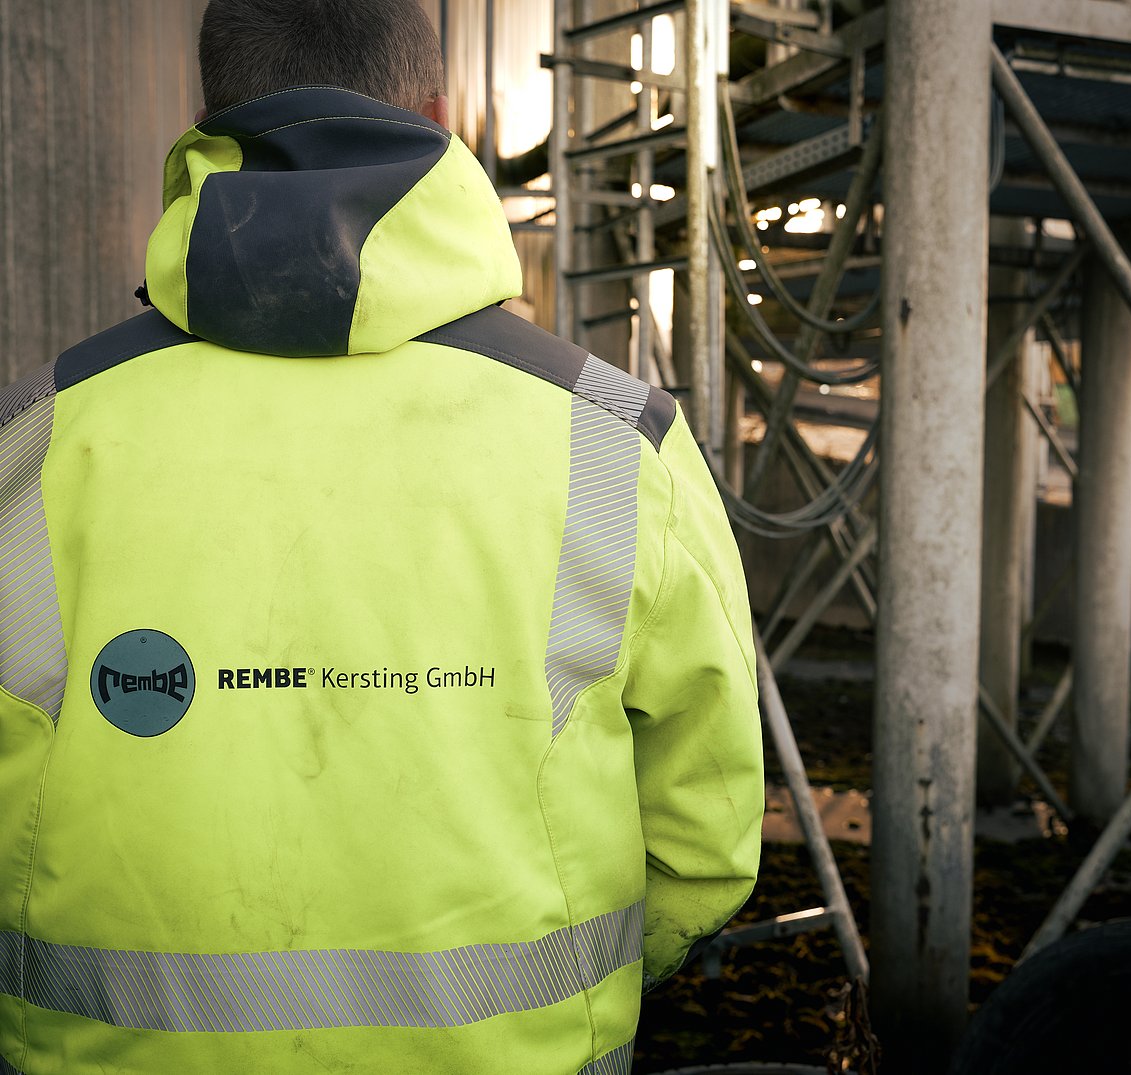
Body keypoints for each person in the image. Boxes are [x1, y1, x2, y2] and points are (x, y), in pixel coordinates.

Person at [0, 1, 763, 1072]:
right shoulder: (615, 442)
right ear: (440, 118)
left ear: (209, 123)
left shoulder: (31, 441)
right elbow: (705, 835)